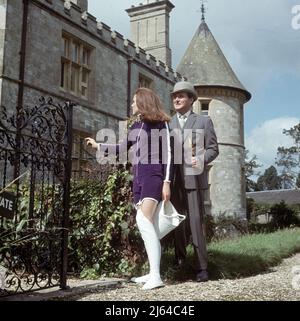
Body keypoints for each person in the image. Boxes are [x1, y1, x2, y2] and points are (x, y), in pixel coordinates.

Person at [85, 87, 172, 290]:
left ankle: (156, 276)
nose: (131, 104)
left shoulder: (161, 124)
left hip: (153, 175)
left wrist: (167, 182)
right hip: (138, 179)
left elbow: (169, 154)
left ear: (143, 102)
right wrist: (99, 146)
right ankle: (152, 272)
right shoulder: (136, 127)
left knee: (143, 220)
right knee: (146, 225)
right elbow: (122, 148)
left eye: (134, 101)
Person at [169, 81, 219, 282]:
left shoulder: (203, 122)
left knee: (196, 223)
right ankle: (180, 261)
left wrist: (200, 159)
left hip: (194, 180)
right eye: (174, 96)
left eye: (181, 96)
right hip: (173, 182)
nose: (177, 99)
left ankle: (201, 267)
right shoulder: (167, 123)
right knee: (177, 223)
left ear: (191, 99)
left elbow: (213, 149)